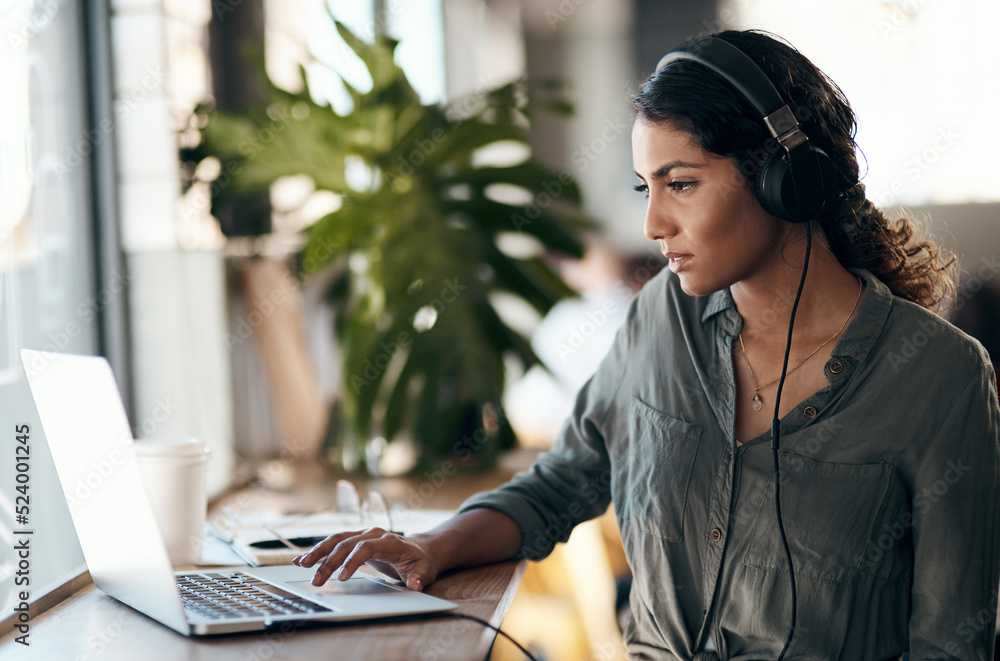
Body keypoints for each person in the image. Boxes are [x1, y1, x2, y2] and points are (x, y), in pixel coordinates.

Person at [294, 29, 1000, 660]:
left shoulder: (940, 375)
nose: (655, 222)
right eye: (646, 188)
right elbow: (564, 480)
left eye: (682, 184)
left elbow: (951, 642)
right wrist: (430, 546)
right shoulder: (660, 317)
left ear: (788, 181)